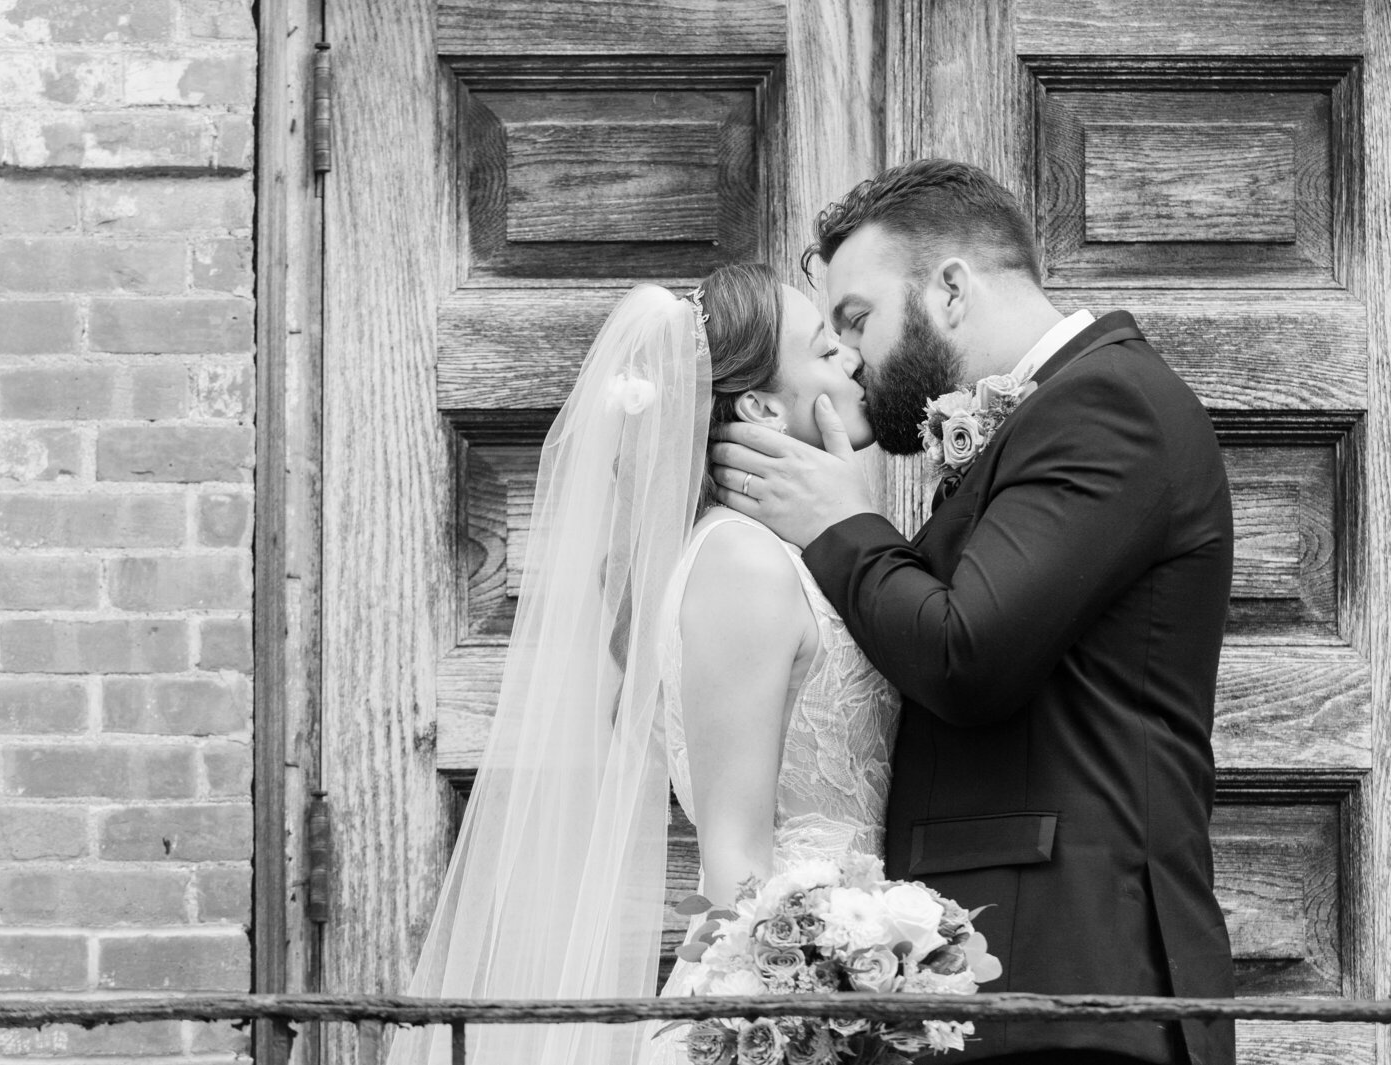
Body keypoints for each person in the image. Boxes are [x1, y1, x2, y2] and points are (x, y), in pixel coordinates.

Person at [710, 159, 1237, 1065]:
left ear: (950, 289)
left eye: (858, 318)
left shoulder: (1110, 405)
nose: (851, 356)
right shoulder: (1049, 418)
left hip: (1076, 988)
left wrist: (840, 523)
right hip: (999, 989)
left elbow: (967, 651)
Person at [386, 266, 898, 1065]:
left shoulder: (779, 552)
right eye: (828, 351)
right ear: (761, 407)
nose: (856, 362)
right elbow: (737, 859)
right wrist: (802, 1031)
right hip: (789, 996)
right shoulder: (741, 562)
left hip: (853, 972)